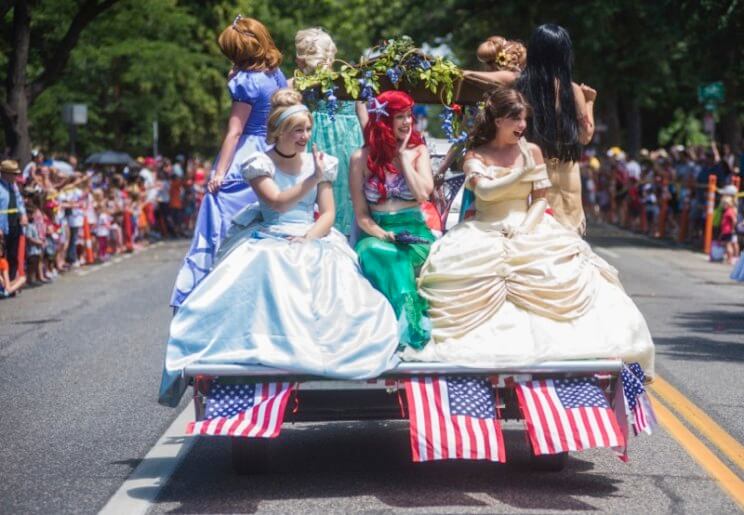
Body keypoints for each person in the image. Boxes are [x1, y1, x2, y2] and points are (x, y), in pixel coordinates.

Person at [159, 90, 399, 406]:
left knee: (335, 280)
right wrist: (312, 178)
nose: (305, 136)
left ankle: (321, 349)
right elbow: (276, 202)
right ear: (279, 133)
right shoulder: (260, 163)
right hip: (271, 235)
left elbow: (327, 214)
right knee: (273, 269)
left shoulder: (322, 163)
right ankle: (270, 347)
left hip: (311, 235)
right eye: (298, 130)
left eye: (308, 129)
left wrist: (311, 236)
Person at [402, 87, 654, 375]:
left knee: (566, 274)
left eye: (524, 119)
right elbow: (484, 191)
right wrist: (520, 175)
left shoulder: (532, 151)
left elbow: (540, 200)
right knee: (468, 276)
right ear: (498, 121)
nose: (523, 126)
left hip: (528, 226)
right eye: (516, 119)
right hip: (486, 227)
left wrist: (525, 228)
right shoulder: (476, 154)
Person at [170, 15, 288, 307]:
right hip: (273, 151)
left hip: (246, 155)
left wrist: (218, 174)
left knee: (221, 223)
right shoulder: (277, 75)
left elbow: (235, 132)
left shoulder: (246, 83)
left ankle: (211, 294)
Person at [349, 90, 435, 349]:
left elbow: (423, 194)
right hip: (377, 234)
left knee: (397, 255)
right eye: (400, 116)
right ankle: (411, 324)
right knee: (380, 251)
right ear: (384, 121)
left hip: (415, 234)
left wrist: (404, 160)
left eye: (409, 115)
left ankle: (402, 329)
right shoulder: (360, 158)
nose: (408, 122)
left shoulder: (418, 151)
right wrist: (383, 234)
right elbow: (362, 215)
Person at [517, 24, 596, 235]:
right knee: (566, 240)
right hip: (567, 171)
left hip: (531, 171)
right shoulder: (573, 90)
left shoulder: (520, 87)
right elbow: (585, 135)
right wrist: (589, 103)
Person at [294, 27, 366, 235]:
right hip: (350, 143)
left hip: (314, 142)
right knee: (348, 194)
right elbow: (364, 119)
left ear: (302, 59)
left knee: (318, 194)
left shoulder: (298, 85)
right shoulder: (352, 83)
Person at [0, 160, 28, 280]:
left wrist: (23, 214)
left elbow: (19, 202)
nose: (16, 176)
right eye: (14, 174)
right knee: (2, 256)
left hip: (15, 225)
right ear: (5, 173)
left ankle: (11, 282)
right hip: (2, 226)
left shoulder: (14, 186)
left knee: (13, 255)